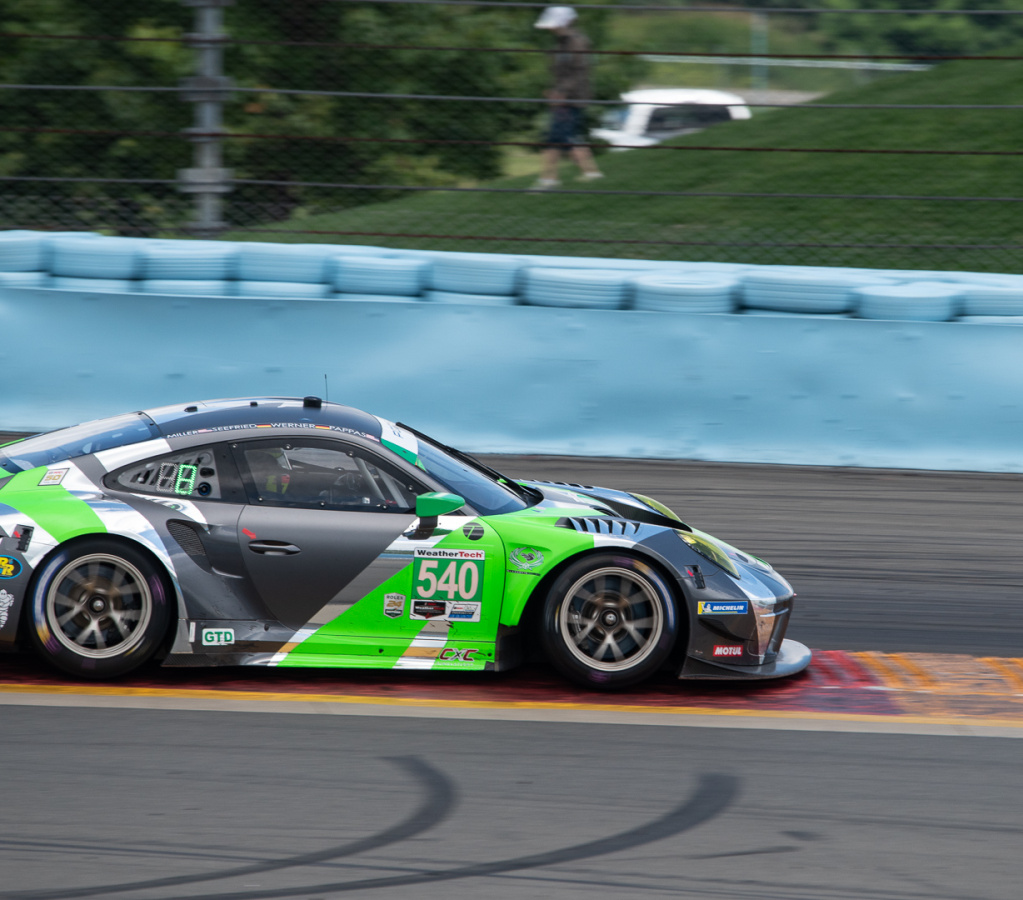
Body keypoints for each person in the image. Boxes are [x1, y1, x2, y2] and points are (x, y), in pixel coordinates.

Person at [533, 6, 603, 189]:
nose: (550, 28)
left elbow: (579, 72)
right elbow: (561, 73)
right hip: (564, 97)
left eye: (553, 25)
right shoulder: (562, 43)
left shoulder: (576, 43)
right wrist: (554, 91)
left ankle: (551, 179)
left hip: (572, 98)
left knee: (559, 136)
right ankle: (587, 173)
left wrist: (561, 92)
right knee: (563, 136)